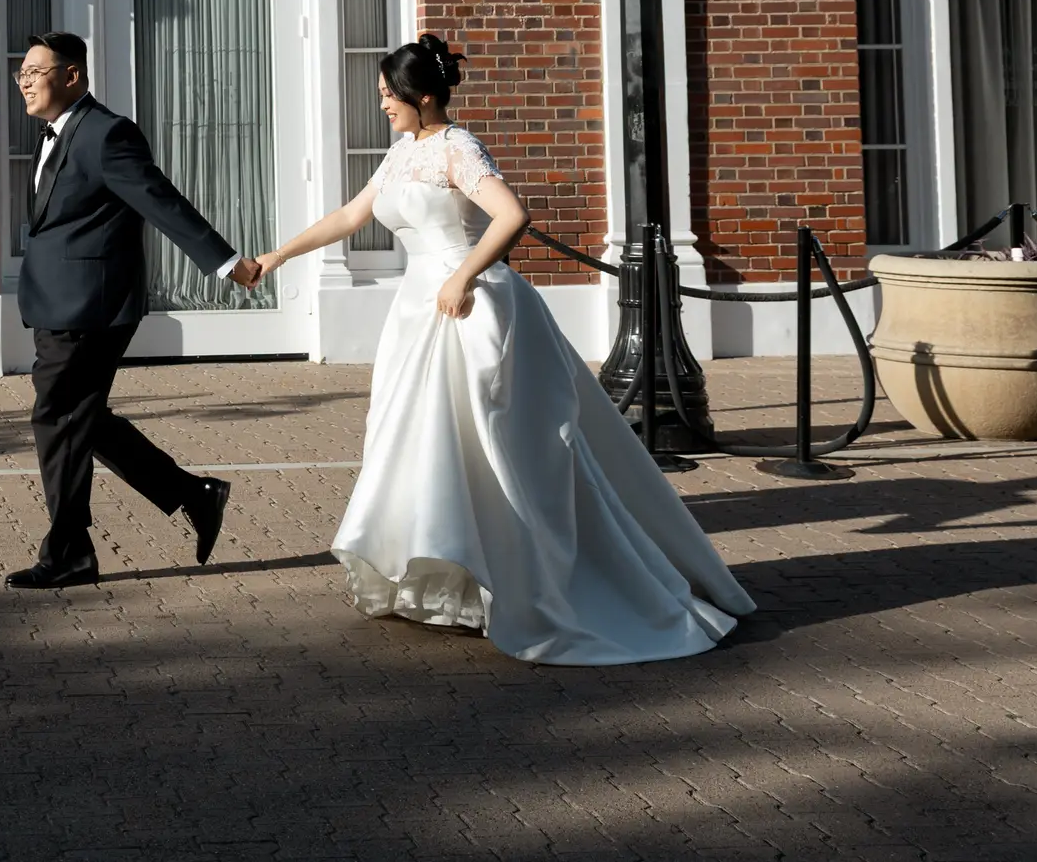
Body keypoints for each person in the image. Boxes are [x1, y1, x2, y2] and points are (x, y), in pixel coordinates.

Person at [249, 34, 755, 664]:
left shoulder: (458, 148)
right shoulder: (403, 153)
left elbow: (512, 214)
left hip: (471, 308)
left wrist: (461, 277)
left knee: (495, 450)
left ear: (423, 95)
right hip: (417, 312)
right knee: (418, 443)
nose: (383, 104)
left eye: (389, 95)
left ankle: (529, 582)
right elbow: (351, 217)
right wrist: (274, 258)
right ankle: (448, 579)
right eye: (381, 95)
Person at [7, 31, 264, 590]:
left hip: (90, 308)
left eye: (35, 70)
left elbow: (162, 201)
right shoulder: (51, 135)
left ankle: (70, 551)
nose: (23, 80)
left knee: (59, 419)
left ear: (72, 75)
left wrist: (226, 263)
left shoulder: (106, 134)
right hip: (57, 302)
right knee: (80, 420)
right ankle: (192, 494)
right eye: (20, 72)